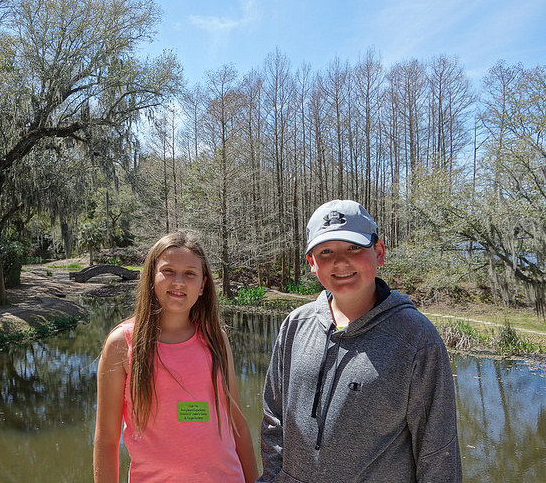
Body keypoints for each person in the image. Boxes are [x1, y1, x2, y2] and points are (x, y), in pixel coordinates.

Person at [259, 200, 462, 482]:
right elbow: (274, 420)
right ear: (311, 263)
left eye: (354, 248)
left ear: (378, 253)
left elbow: (438, 449)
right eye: (326, 252)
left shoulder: (416, 339)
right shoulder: (294, 325)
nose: (341, 262)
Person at [94, 231, 259, 482]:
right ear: (151, 277)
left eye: (190, 273)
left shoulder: (215, 338)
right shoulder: (122, 343)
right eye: (168, 271)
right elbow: (106, 441)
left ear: (203, 285)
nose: (179, 281)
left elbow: (237, 423)